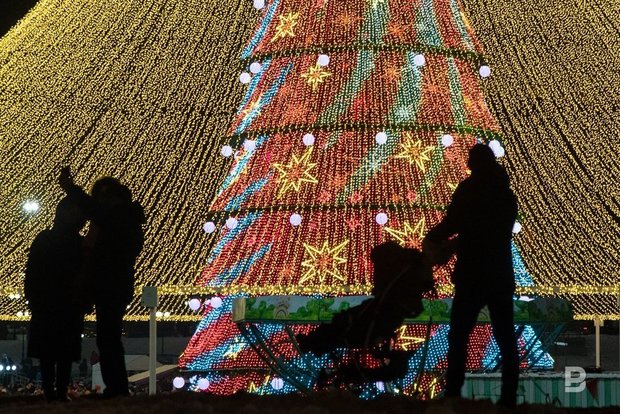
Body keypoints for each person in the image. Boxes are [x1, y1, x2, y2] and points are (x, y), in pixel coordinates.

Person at [424, 143, 519, 407]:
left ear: (473, 164)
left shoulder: (470, 190)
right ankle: (509, 397)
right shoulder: (506, 195)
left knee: (459, 334)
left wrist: (433, 238)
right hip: (500, 273)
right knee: (505, 336)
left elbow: (454, 222)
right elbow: (492, 232)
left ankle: (454, 392)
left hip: (472, 273)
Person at [59, 168, 145, 397]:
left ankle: (116, 388)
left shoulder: (117, 218)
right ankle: (116, 387)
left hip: (111, 284)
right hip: (115, 284)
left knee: (108, 337)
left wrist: (71, 188)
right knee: (108, 337)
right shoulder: (126, 218)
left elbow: (95, 211)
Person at [24, 195, 88, 402]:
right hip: (60, 302)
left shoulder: (46, 239)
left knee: (53, 352)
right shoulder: (77, 243)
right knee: (60, 352)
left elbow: (32, 271)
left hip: (53, 302)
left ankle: (54, 391)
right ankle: (57, 391)